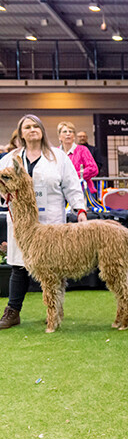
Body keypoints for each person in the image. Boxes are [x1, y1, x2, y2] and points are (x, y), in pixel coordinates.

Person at [0, 115, 88, 330]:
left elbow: (72, 184)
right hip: (22, 223)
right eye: (27, 127)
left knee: (52, 269)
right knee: (19, 266)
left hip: (51, 222)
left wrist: (80, 210)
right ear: (21, 133)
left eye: (36, 126)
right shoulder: (9, 158)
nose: (32, 130)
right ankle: (13, 311)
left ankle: (54, 310)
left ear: (42, 131)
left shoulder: (57, 157)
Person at [58, 121, 98, 194]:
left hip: (82, 191)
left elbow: (93, 169)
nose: (68, 134)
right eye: (64, 131)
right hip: (61, 192)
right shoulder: (55, 152)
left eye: (71, 131)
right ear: (59, 137)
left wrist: (72, 176)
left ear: (74, 136)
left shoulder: (82, 150)